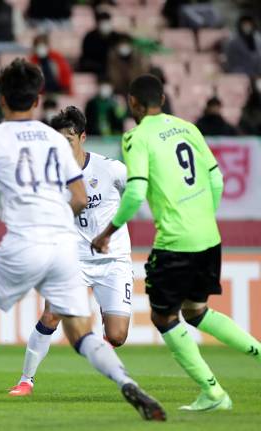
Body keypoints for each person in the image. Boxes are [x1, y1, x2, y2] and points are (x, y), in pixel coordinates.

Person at [0, 59, 164, 421]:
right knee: (80, 331)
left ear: (2, 100)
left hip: (25, 242)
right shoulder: (54, 142)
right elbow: (81, 197)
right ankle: (124, 381)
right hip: (64, 249)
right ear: (37, 100)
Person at [92, 74, 261, 412]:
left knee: (164, 317)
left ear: (133, 104)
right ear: (164, 101)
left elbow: (136, 190)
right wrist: (203, 216)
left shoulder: (136, 137)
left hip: (176, 241)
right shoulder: (188, 128)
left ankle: (213, 393)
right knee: (195, 311)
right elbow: (217, 178)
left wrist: (108, 232)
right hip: (209, 236)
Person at [9, 106, 133, 396]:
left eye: (69, 139)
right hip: (72, 260)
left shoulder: (109, 168)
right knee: (51, 315)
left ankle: (100, 351)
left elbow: (141, 188)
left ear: (83, 137)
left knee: (117, 334)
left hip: (113, 260)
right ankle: (26, 380)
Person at [78, 11, 123, 78]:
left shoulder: (116, 36)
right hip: (96, 66)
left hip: (113, 65)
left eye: (107, 21)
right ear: (97, 23)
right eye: (102, 21)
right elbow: (86, 55)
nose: (105, 24)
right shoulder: (89, 37)